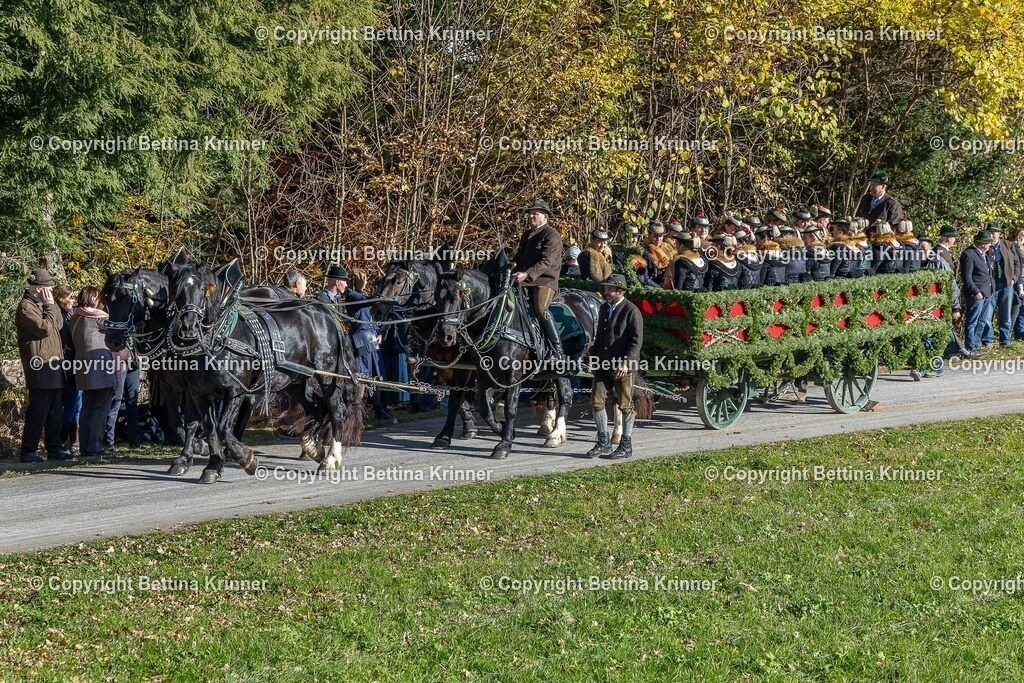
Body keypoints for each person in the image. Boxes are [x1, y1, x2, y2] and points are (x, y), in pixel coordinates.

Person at [15, 268, 69, 463]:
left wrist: (50, 305)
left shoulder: (44, 304)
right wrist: (49, 305)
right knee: (39, 410)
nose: (50, 290)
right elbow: (44, 328)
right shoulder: (26, 307)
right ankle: (28, 450)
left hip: (53, 364)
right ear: (38, 288)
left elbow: (59, 324)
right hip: (39, 365)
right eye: (47, 287)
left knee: (55, 410)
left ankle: (54, 447)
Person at [587, 273, 643, 460]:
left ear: (619, 291)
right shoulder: (604, 308)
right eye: (605, 288)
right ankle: (603, 442)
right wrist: (592, 359)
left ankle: (626, 445)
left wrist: (626, 363)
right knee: (596, 401)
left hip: (623, 367)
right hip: (603, 364)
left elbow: (636, 342)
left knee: (625, 405)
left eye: (609, 289)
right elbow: (599, 338)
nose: (605, 291)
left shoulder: (631, 311)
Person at [512, 199, 565, 362]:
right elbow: (519, 258)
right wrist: (510, 270)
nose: (531, 216)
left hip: (545, 280)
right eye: (530, 213)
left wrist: (526, 274)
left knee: (541, 308)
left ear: (545, 217)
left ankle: (557, 349)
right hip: (524, 278)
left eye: (535, 213)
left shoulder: (552, 235)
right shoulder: (527, 235)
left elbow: (546, 262)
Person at [70, 286, 117, 460]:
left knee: (87, 407)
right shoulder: (99, 318)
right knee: (101, 408)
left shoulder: (75, 316)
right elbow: (118, 326)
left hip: (82, 366)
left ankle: (85, 447)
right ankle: (95, 447)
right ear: (93, 298)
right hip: (101, 365)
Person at [346, 271, 393, 422]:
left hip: (372, 340)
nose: (365, 281)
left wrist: (379, 332)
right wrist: (363, 288)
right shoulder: (352, 295)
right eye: (363, 279)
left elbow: (374, 316)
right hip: (361, 344)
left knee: (375, 378)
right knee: (362, 378)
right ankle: (356, 413)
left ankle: (379, 410)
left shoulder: (364, 296)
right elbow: (368, 301)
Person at [55, 285, 82, 456]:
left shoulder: (68, 313)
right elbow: (68, 336)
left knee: (76, 403)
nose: (72, 300)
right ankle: (64, 440)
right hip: (68, 361)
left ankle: (73, 441)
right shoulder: (59, 315)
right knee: (71, 402)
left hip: (74, 360)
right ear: (61, 298)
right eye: (69, 297)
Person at [987, 223, 1023, 346]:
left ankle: (1005, 340)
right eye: (990, 232)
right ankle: (988, 340)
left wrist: (1014, 278)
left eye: (994, 232)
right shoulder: (985, 246)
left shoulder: (1008, 245)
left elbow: (1017, 263)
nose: (992, 235)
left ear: (999, 234)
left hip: (1006, 284)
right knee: (988, 315)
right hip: (991, 285)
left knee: (1006, 315)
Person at [960, 230, 996, 352]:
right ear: (982, 243)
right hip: (976, 294)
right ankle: (970, 346)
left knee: (982, 321)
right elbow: (967, 277)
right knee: (973, 321)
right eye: (988, 243)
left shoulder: (984, 254)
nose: (990, 245)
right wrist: (975, 291)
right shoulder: (968, 254)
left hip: (987, 292)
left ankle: (976, 344)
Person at [639, 220, 672, 287]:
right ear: (649, 235)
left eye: (661, 236)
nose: (658, 239)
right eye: (655, 236)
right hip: (651, 287)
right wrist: (660, 289)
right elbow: (644, 279)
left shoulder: (667, 249)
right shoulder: (642, 251)